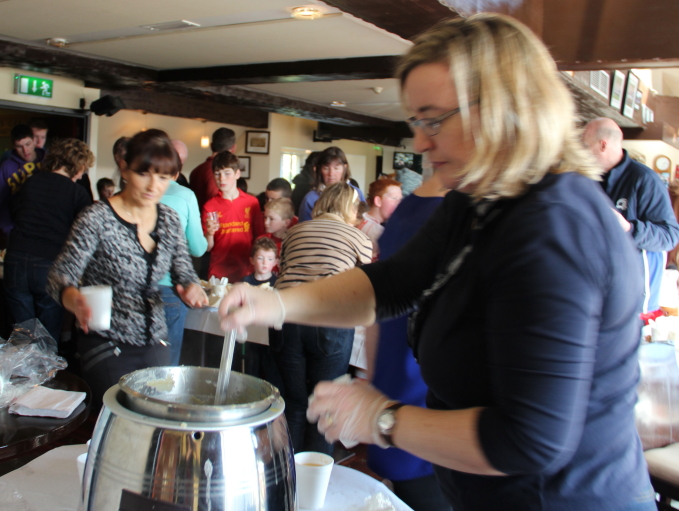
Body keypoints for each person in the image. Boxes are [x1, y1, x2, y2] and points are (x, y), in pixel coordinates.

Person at [219, 14, 655, 511]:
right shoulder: (480, 199)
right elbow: (389, 284)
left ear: (502, 108)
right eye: (416, 122)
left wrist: (383, 420)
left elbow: (530, 438)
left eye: (434, 120)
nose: (421, 143)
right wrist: (272, 304)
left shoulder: (555, 226)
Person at [47, 129, 208, 408]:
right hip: (106, 339)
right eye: (143, 173)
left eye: (163, 176)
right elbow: (60, 274)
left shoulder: (168, 218)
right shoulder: (97, 217)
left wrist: (191, 286)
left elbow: (183, 268)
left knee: (157, 418)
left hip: (155, 339)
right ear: (125, 169)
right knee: (120, 418)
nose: (153, 186)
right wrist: (74, 299)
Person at [365, 172, 451, 511]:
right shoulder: (451, 210)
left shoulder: (410, 209)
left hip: (406, 394)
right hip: (425, 401)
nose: (420, 142)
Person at [271, 182, 372, 456]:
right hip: (330, 319)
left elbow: (283, 268)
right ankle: (316, 484)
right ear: (349, 208)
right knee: (324, 405)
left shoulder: (294, 232)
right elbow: (369, 281)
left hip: (286, 316)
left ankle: (288, 475)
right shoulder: (357, 236)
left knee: (293, 402)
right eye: (357, 208)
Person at [582, 117, 679, 312]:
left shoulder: (644, 180)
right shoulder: (586, 179)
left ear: (603, 145)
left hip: (632, 299)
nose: (581, 152)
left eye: (585, 145)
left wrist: (628, 228)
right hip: (593, 290)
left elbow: (669, 236)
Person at [4, 139, 94, 343]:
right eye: (83, 169)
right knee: (46, 337)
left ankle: (20, 374)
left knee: (22, 333)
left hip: (15, 259)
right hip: (49, 264)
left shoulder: (30, 181)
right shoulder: (77, 193)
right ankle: (45, 374)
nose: (81, 174)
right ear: (77, 165)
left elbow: (16, 214)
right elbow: (85, 234)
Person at [159, 144, 208, 366]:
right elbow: (198, 248)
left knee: (135, 360)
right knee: (166, 363)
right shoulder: (185, 195)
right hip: (170, 287)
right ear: (177, 173)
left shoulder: (133, 194)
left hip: (131, 288)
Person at [203, 151, 264, 283]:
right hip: (218, 271)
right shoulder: (210, 206)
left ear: (237, 174)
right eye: (217, 174)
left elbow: (259, 236)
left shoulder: (252, 202)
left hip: (247, 270)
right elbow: (207, 247)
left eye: (227, 173)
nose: (222, 179)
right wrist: (209, 233)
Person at [0, 124, 46, 239]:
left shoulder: (49, 160)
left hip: (45, 228)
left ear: (34, 141)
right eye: (19, 146)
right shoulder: (6, 167)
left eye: (28, 144)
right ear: (13, 146)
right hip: (17, 228)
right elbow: (1, 202)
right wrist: (8, 229)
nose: (25, 150)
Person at [298, 147, 365, 222]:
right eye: (326, 168)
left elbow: (363, 224)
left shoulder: (356, 193)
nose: (331, 173)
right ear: (320, 169)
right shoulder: (310, 198)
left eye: (336, 168)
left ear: (345, 168)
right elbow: (303, 227)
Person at [190, 127, 236, 210]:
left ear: (211, 145)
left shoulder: (196, 170)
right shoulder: (213, 171)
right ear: (233, 148)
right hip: (211, 220)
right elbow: (216, 204)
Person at [357, 178, 402, 260]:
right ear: (378, 201)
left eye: (400, 199)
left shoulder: (360, 219)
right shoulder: (378, 233)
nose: (399, 204)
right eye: (394, 198)